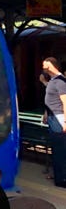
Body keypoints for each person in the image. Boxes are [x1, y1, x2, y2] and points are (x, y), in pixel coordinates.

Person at [41, 57, 66, 188]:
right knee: (57, 149)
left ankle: (62, 179)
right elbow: (50, 100)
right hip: (53, 117)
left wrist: (65, 122)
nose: (43, 69)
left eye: (45, 66)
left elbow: (65, 102)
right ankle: (59, 176)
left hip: (59, 118)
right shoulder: (53, 81)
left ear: (52, 66)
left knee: (60, 149)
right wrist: (46, 114)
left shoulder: (60, 82)